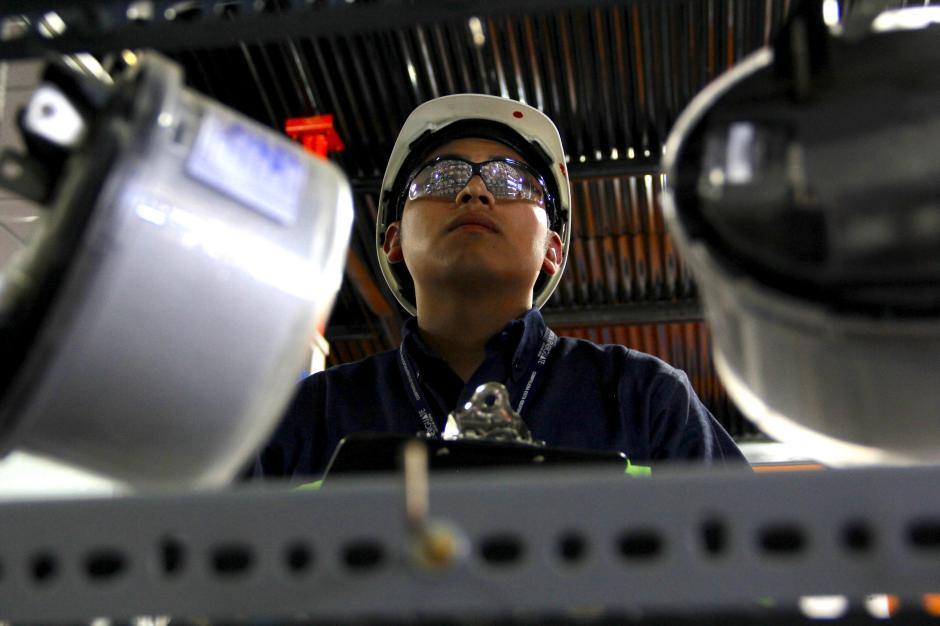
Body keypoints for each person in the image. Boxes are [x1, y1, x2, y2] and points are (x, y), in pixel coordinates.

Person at [254, 94, 746, 479]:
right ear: (393, 241)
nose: (475, 190)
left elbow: (754, 570)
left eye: (513, 182)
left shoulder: (644, 398)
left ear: (553, 249)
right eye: (441, 176)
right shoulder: (306, 417)